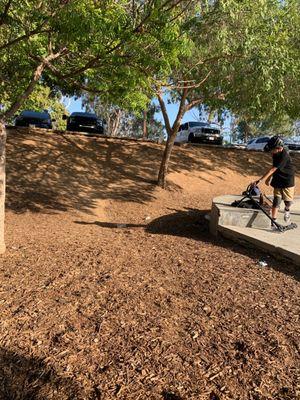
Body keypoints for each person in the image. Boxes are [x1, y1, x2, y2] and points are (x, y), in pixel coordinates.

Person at [253, 136, 295, 228]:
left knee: (288, 202)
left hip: (287, 180)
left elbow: (273, 169)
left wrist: (260, 180)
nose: (271, 151)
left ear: (279, 148)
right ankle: (273, 222)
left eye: (272, 149)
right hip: (278, 178)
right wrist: (269, 178)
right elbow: (273, 167)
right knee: (276, 201)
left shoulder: (284, 155)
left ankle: (287, 210)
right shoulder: (275, 154)